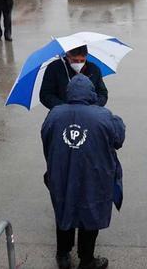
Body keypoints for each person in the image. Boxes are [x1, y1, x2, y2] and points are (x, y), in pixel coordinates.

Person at [41, 75, 125, 269]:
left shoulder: (54, 114)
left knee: (64, 210)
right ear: (91, 94)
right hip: (94, 175)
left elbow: (46, 139)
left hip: (62, 173)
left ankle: (63, 255)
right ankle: (86, 259)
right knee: (91, 212)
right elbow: (118, 138)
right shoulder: (103, 115)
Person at [40, 45, 109, 109]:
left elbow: (102, 93)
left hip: (90, 112)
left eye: (82, 61)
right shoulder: (54, 68)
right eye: (75, 60)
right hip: (63, 112)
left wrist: (94, 107)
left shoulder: (93, 69)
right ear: (67, 56)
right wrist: (63, 107)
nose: (79, 63)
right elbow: (46, 95)